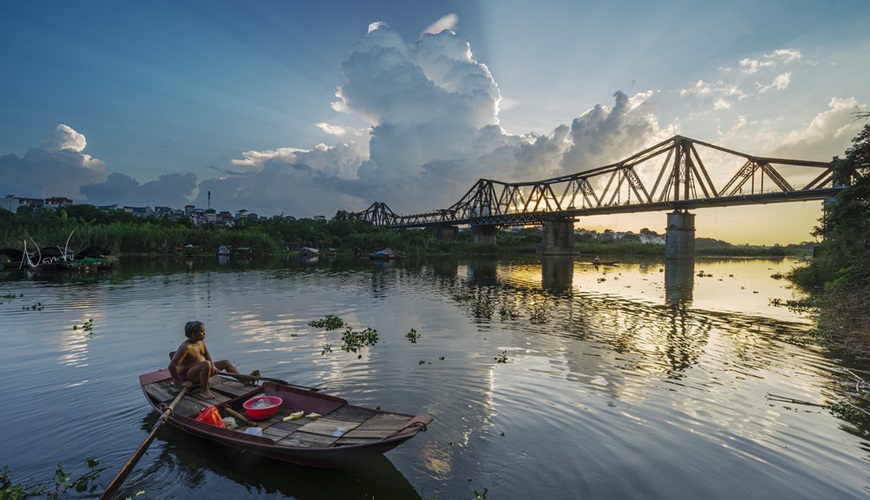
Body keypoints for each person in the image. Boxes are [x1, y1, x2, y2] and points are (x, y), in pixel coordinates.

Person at [168, 321, 240, 399]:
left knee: (226, 362)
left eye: (204, 331)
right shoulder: (186, 347)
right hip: (188, 375)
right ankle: (204, 391)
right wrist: (181, 382)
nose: (204, 333)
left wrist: (213, 366)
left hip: (203, 369)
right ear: (193, 335)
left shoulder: (201, 342)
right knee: (206, 364)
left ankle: (244, 380)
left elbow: (206, 354)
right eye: (202, 332)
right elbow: (172, 366)